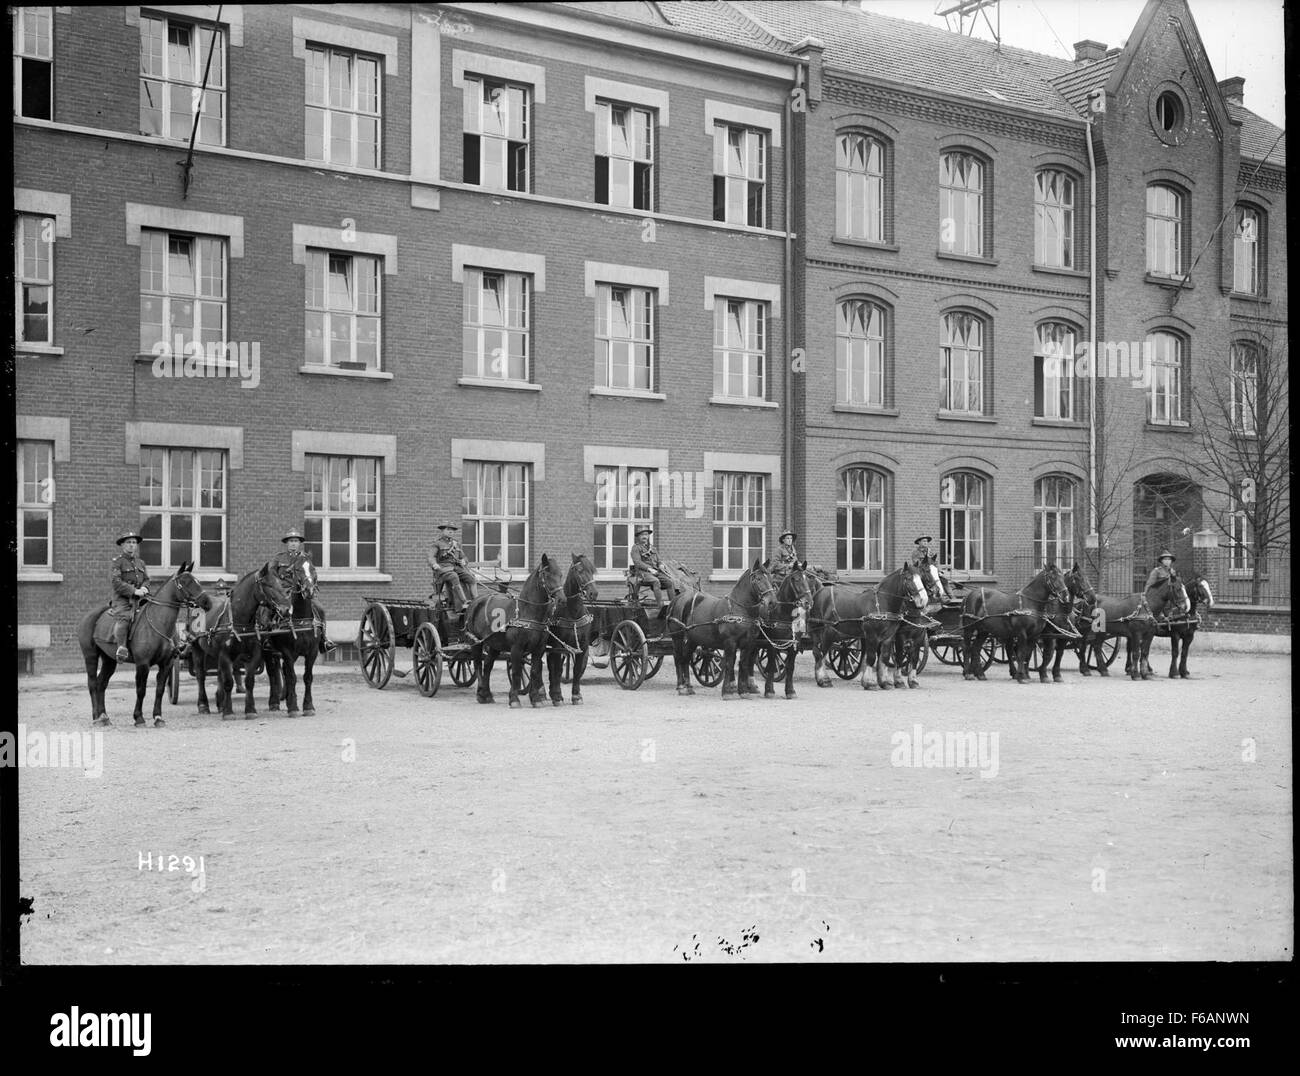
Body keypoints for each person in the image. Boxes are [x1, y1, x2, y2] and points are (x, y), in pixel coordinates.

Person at [110, 530, 151, 662]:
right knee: (125, 618)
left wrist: (145, 587)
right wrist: (134, 591)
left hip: (140, 599)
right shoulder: (118, 562)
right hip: (123, 600)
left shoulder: (141, 563)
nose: (132, 545)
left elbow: (146, 579)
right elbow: (116, 582)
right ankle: (121, 648)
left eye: (134, 542)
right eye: (128, 542)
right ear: (122, 545)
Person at [428, 522, 477, 613]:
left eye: (452, 530)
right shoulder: (437, 543)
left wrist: (463, 561)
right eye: (448, 530)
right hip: (443, 570)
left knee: (471, 579)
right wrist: (434, 564)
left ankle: (476, 601)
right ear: (442, 531)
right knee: (454, 576)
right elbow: (431, 557)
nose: (451, 532)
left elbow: (464, 557)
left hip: (456, 568)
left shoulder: (456, 544)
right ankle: (464, 602)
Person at [629, 526, 674, 615]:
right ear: (638, 537)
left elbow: (659, 560)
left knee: (670, 582)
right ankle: (660, 606)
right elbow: (637, 562)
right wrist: (649, 569)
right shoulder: (636, 548)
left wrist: (660, 565)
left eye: (646, 534)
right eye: (642, 535)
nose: (645, 537)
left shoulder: (653, 548)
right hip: (642, 573)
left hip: (655, 572)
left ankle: (673, 605)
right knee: (656, 581)